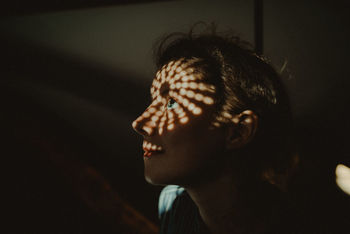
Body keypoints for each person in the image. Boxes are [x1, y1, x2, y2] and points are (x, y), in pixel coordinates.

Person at [132, 26, 298, 234]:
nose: (139, 123)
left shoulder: (305, 223)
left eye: (172, 102)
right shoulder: (173, 205)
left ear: (238, 131)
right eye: (153, 101)